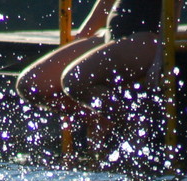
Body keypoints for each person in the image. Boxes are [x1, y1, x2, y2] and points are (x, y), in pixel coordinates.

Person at [16, 0, 178, 147]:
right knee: (31, 84)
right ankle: (99, 117)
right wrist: (82, 37)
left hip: (147, 38)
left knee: (75, 80)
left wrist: (161, 53)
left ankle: (133, 125)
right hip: (111, 36)